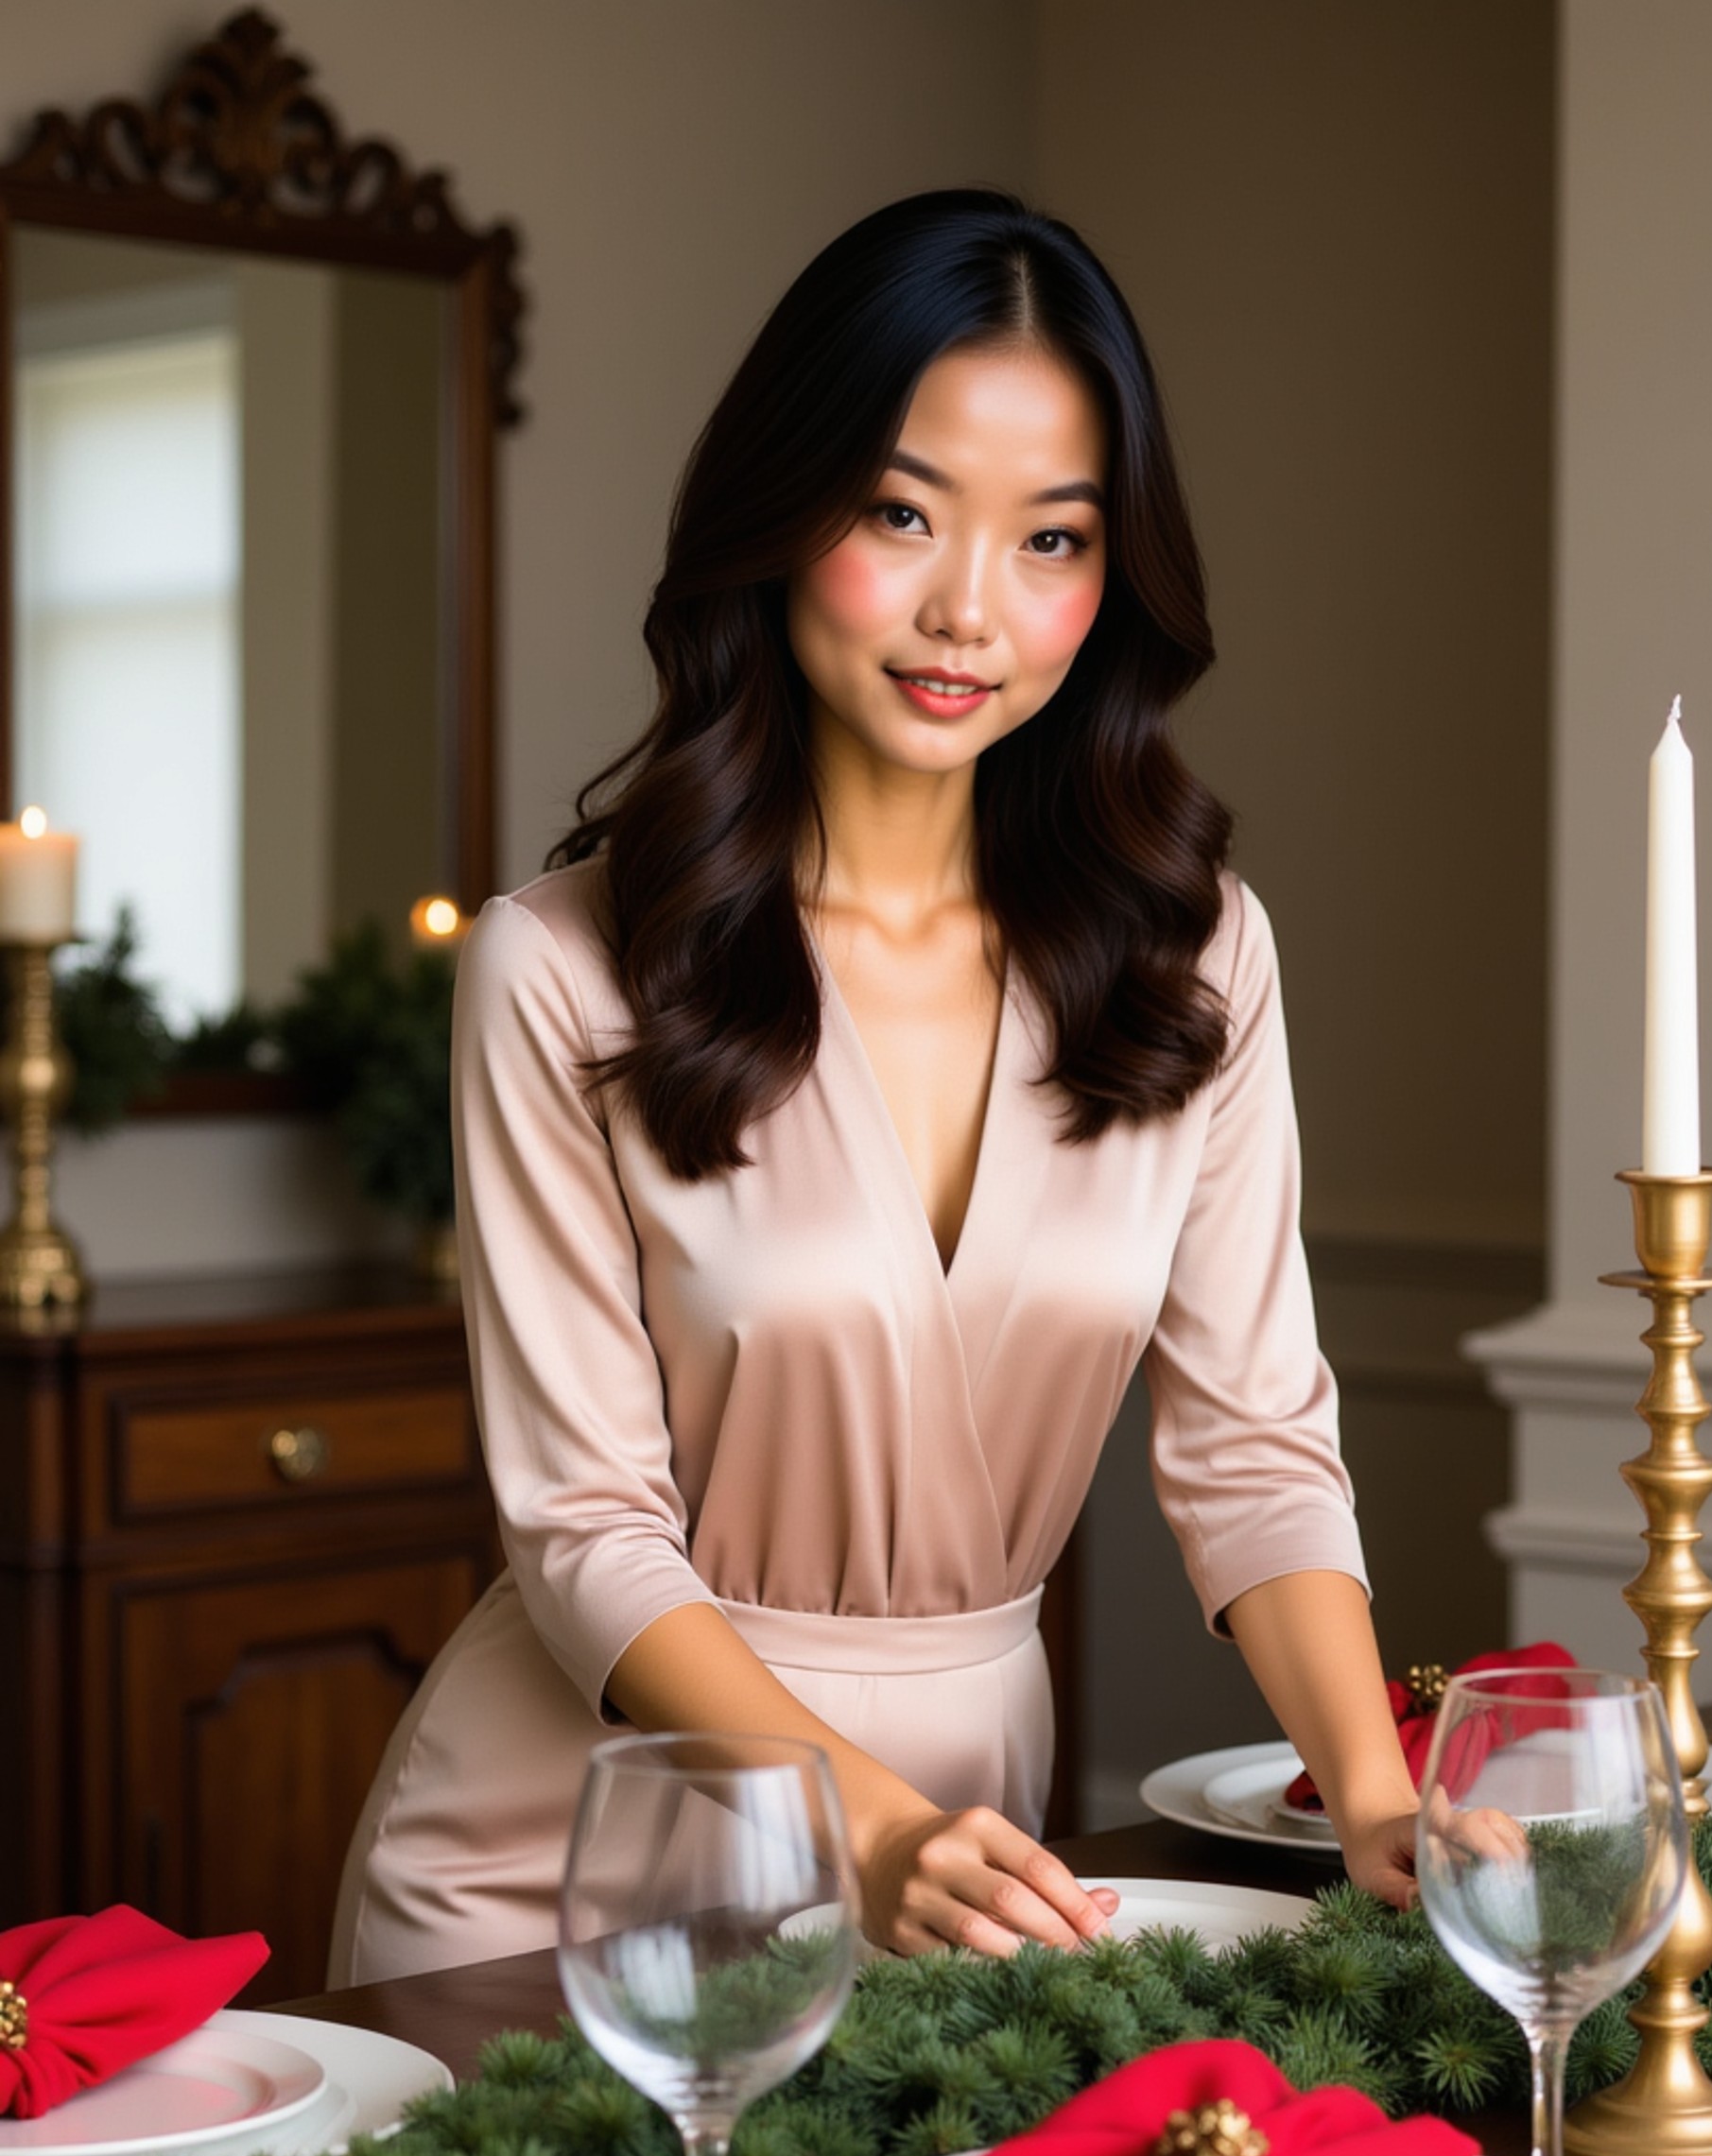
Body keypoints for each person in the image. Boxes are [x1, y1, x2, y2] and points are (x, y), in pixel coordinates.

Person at [328, 189, 1421, 1990]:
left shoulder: (1193, 952)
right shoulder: (563, 967)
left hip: (974, 1835)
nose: (968, 608)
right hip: (569, 1856)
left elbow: (1257, 1451)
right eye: (900, 511)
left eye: (1052, 539)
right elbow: (581, 1531)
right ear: (782, 510)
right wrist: (868, 1820)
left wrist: (1374, 1795)